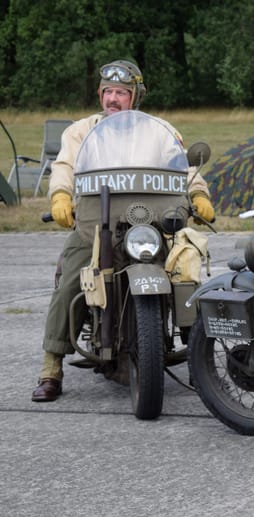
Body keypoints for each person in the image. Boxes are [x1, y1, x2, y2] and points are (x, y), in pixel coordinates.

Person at [31, 59, 214, 402]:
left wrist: (199, 193)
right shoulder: (80, 130)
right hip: (94, 223)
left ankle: (200, 357)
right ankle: (51, 366)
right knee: (72, 276)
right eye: (108, 92)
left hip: (152, 222)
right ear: (100, 94)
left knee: (186, 269)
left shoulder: (159, 130)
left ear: (135, 97)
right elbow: (65, 166)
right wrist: (59, 195)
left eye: (121, 93)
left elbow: (182, 165)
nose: (113, 99)